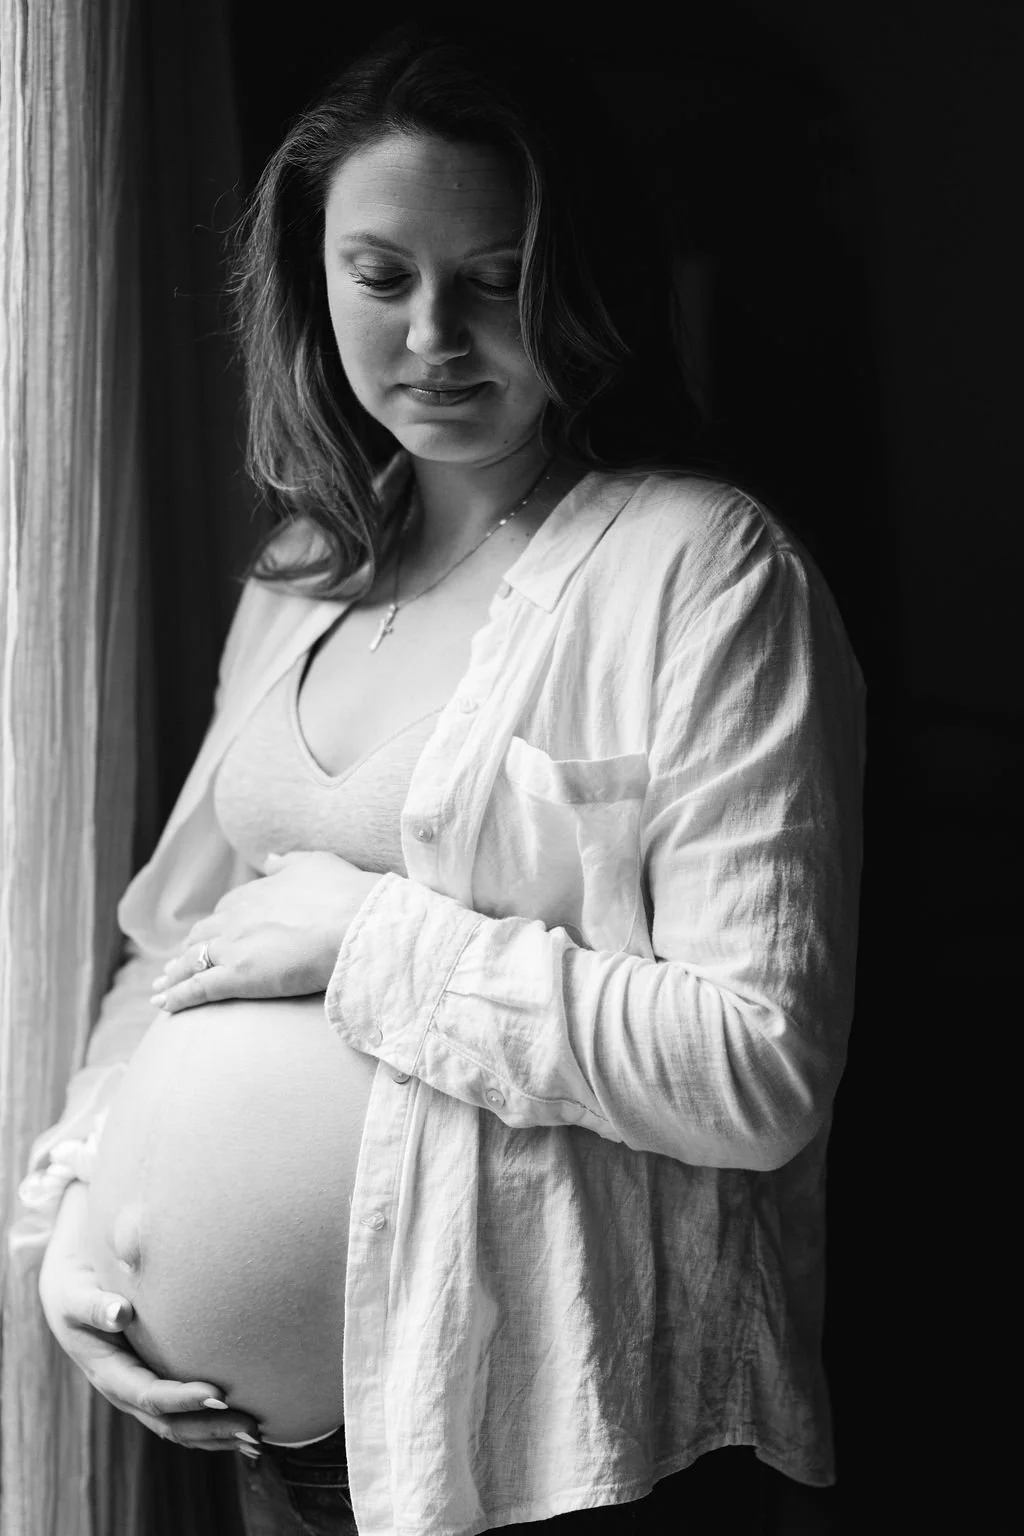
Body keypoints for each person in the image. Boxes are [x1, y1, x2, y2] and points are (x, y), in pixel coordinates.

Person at [14, 19, 865, 1536]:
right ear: (314, 276)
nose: (432, 341)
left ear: (578, 277)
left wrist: (369, 937)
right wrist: (73, 1220)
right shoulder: (302, 575)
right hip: (280, 1460)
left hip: (538, 1441)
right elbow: (176, 946)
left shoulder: (700, 570)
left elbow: (758, 1068)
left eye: (495, 278)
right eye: (382, 276)